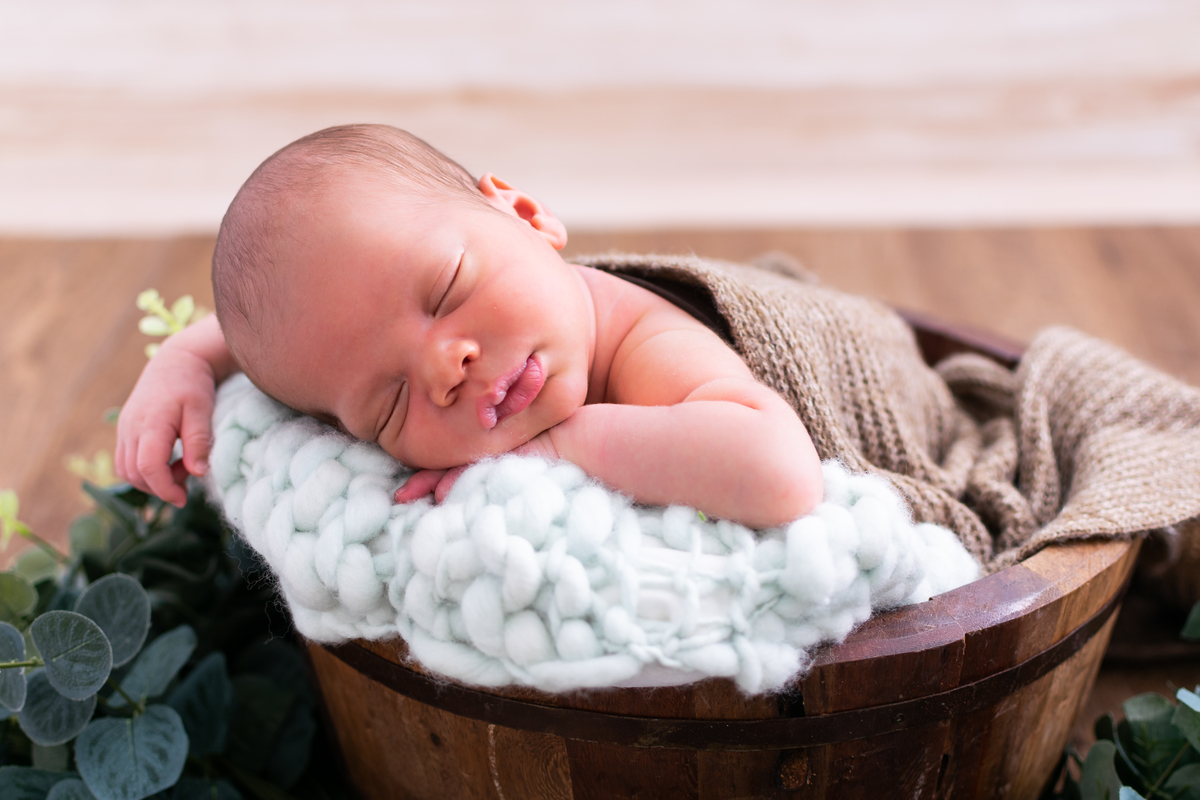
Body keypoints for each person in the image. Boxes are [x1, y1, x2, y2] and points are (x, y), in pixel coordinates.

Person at [116, 124, 824, 530]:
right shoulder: (494, 312)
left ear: (523, 215)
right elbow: (324, 330)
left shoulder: (646, 340)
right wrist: (192, 354)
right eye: (390, 403)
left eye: (448, 291)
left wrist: (561, 447)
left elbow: (782, 475)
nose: (444, 366)